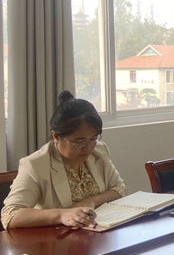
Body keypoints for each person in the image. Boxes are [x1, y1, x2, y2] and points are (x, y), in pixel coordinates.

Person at [1, 91, 127, 229]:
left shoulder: (99, 152)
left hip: (98, 235)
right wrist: (62, 215)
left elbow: (120, 188)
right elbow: (10, 215)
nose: (88, 148)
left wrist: (92, 201)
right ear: (56, 136)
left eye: (93, 139)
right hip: (56, 238)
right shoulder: (36, 165)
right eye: (79, 142)